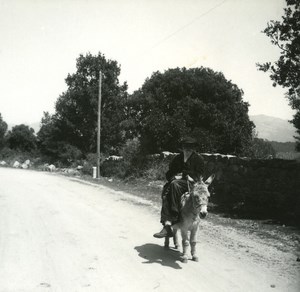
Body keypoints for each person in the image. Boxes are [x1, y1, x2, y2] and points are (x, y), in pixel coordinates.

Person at [153, 137, 205, 238]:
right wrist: (174, 176)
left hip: (192, 184)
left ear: (194, 148)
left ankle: (173, 215)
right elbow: (169, 173)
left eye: (190, 147)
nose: (187, 149)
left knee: (174, 184)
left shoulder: (198, 160)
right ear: (182, 148)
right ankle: (167, 225)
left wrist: (183, 175)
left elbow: (199, 175)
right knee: (166, 192)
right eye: (185, 147)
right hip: (176, 183)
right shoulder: (177, 158)